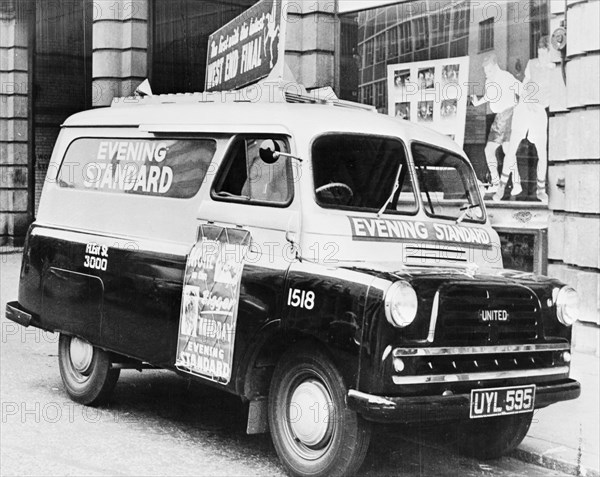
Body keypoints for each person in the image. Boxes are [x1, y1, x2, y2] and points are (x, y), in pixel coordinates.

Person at [495, 36, 557, 202]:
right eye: (539, 53)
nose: (540, 57)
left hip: (539, 112)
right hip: (524, 108)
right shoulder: (532, 64)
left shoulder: (555, 70)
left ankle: (541, 189)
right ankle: (501, 186)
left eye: (544, 54)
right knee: (512, 148)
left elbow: (554, 95)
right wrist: (526, 99)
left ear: (550, 53)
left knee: (542, 153)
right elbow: (525, 85)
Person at [471, 53, 520, 197]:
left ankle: (514, 183)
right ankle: (498, 182)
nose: (487, 74)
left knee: (505, 149)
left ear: (496, 67)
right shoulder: (489, 81)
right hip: (498, 118)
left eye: (490, 71)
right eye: (486, 72)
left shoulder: (506, 77)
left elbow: (520, 91)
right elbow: (490, 97)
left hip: (509, 114)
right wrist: (477, 102)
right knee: (492, 150)